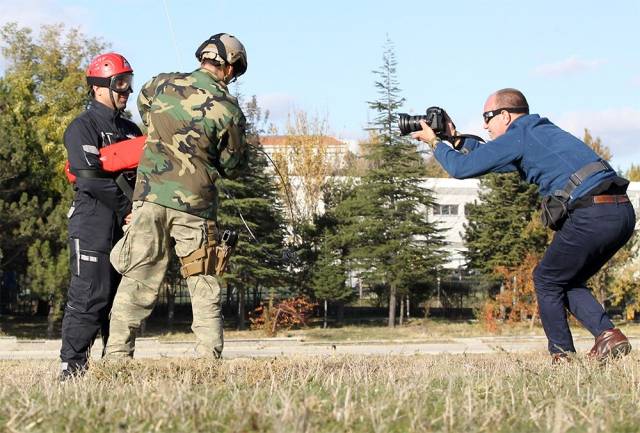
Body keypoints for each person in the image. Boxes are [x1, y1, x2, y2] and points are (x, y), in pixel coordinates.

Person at [412, 88, 635, 363]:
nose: (484, 125)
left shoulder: (520, 133)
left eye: (488, 117)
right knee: (566, 280)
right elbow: (486, 159)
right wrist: (454, 139)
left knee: (546, 278)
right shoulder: (539, 132)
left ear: (505, 116)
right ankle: (608, 336)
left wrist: (435, 143)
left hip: (591, 213)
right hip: (621, 212)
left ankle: (562, 357)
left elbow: (462, 169)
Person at [104, 33, 249, 360]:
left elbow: (145, 111)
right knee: (203, 283)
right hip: (196, 207)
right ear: (229, 68)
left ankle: (115, 359)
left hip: (149, 198)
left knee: (136, 276)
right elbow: (232, 163)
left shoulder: (159, 84)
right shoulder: (228, 109)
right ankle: (207, 363)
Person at [60, 52, 142, 378]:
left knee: (121, 302)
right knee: (89, 297)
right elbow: (89, 177)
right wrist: (128, 208)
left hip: (127, 229)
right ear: (98, 87)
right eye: (119, 83)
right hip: (92, 224)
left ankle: (114, 369)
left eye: (128, 83)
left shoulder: (133, 130)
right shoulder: (82, 127)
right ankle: (73, 368)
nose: (126, 90)